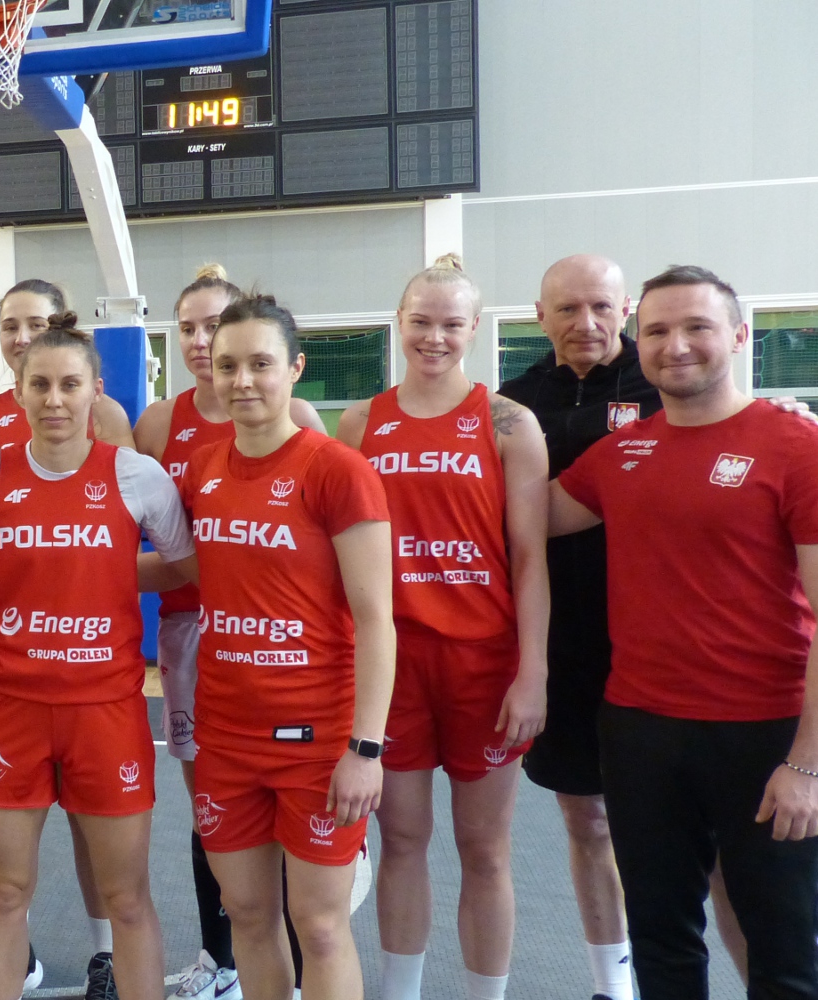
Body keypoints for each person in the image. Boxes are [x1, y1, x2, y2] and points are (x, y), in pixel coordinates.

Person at [548, 265, 818, 998]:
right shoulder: (621, 453)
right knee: (661, 942)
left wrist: (805, 764)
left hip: (762, 734)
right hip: (639, 731)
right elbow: (518, 518)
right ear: (637, 343)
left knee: (784, 951)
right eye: (658, 330)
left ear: (738, 335)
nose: (675, 346)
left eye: (697, 327)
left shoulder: (795, 445)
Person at [0, 317, 195, 1000]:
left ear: (95, 391)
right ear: (17, 392)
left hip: (105, 711)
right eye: (39, 384)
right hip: (10, 709)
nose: (53, 399)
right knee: (7, 892)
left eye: (69, 385)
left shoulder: (137, 475)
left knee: (126, 896)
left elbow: (187, 566)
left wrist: (105, 571)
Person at [147, 292, 394, 1000]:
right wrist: (57, 562)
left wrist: (364, 749)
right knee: (248, 915)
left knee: (318, 925)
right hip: (226, 736)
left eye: (260, 364)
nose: (242, 380)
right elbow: (188, 568)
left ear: (295, 369)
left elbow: (377, 619)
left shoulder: (336, 469)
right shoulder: (204, 468)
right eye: (228, 366)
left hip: (316, 739)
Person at [336, 256, 549, 1000]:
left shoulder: (508, 422)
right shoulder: (360, 423)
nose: (434, 337)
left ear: (474, 328)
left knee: (483, 849)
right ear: (398, 323)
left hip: (483, 664)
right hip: (392, 665)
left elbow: (529, 558)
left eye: (450, 324)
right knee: (401, 840)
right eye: (420, 322)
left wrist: (532, 671)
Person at [133, 264, 326, 1000]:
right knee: (213, 807)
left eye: (212, 326)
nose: (198, 340)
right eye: (187, 329)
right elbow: (157, 542)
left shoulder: (299, 422)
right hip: (194, 636)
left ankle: (302, 961)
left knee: (291, 817)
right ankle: (221, 960)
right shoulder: (160, 423)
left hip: (283, 646)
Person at [0, 278, 136, 998]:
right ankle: (9, 949)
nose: (21, 336)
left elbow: (121, 536)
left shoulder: (103, 415)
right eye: (9, 326)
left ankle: (103, 954)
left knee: (96, 827)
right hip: (3, 640)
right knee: (9, 847)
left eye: (34, 323)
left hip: (87, 652)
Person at [498, 254, 657, 1000]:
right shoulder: (513, 402)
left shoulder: (664, 385)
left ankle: (677, 972)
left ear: (625, 309)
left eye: (600, 306)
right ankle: (611, 985)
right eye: (566, 309)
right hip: (559, 641)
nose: (585, 323)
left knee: (682, 831)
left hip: (656, 642)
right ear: (540, 316)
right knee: (587, 821)